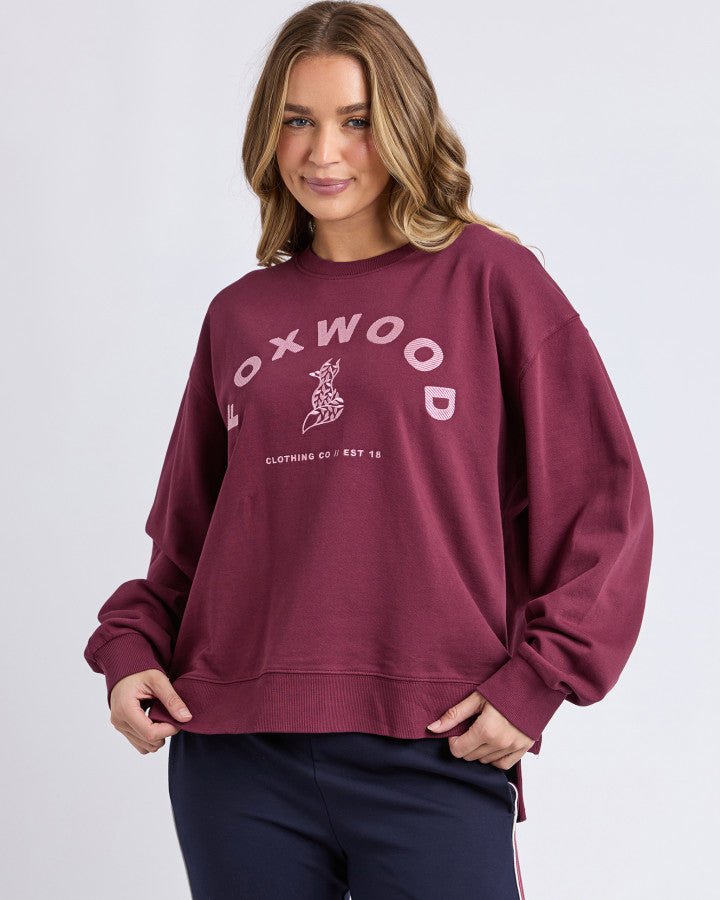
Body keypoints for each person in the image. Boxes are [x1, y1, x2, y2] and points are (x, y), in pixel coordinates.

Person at [83, 2, 654, 897]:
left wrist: (538, 682)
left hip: (433, 741)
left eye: (356, 121)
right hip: (236, 754)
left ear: (406, 125)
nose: (324, 152)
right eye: (297, 121)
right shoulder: (240, 315)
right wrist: (129, 650)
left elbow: (603, 507)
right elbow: (188, 544)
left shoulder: (492, 280)